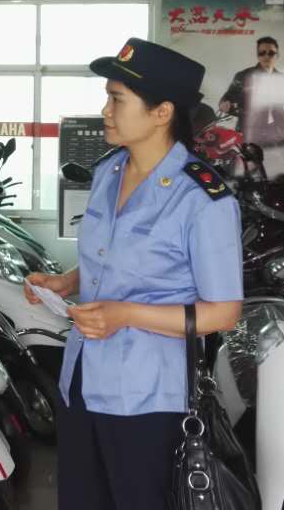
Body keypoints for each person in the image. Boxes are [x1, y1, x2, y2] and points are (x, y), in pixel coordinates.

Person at [24, 38, 243, 509]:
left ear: (162, 112)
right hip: (82, 379)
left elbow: (223, 312)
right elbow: (113, 254)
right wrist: (67, 281)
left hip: (147, 397)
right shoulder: (109, 171)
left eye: (117, 100)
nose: (105, 111)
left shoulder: (201, 198)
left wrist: (126, 315)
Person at [218, 35, 284, 145]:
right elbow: (227, 97)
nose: (266, 56)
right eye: (262, 53)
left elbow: (279, 110)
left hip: (271, 134)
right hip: (246, 132)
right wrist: (224, 104)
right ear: (257, 55)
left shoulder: (280, 78)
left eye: (271, 53)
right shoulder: (243, 75)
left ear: (277, 55)